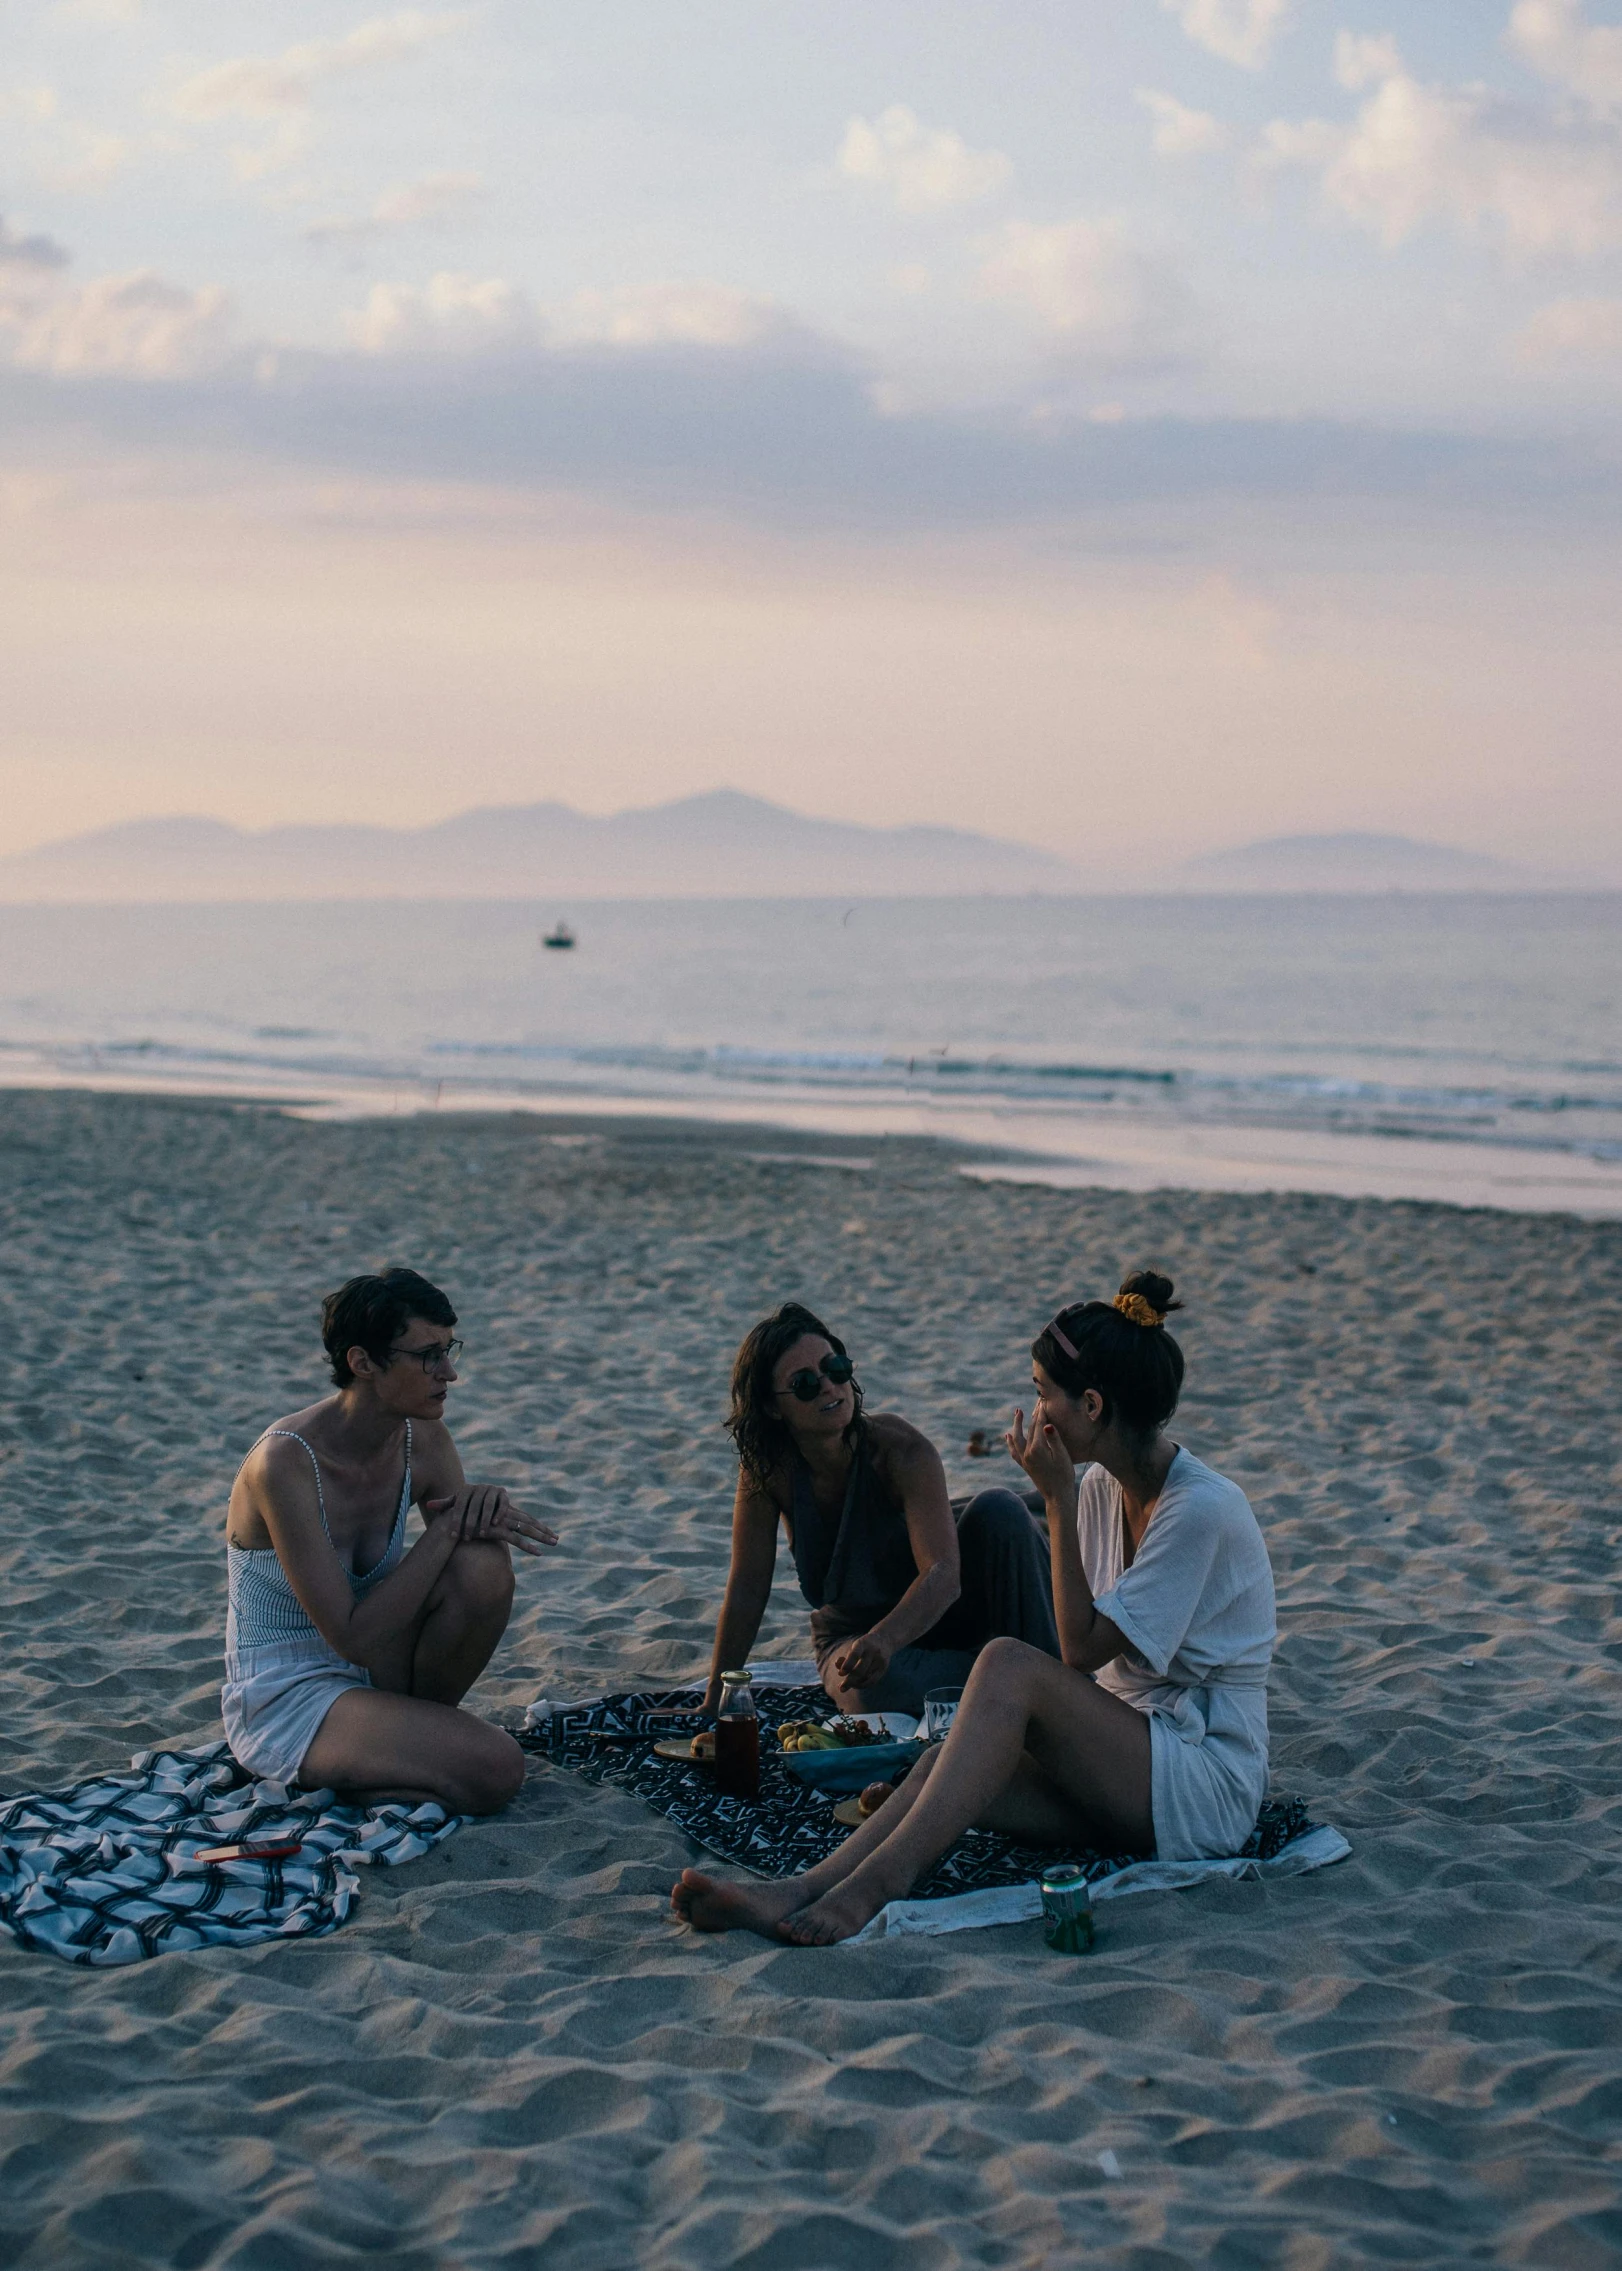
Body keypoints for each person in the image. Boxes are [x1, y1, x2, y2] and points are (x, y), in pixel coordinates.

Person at [673, 1270, 1277, 1944]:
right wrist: (1068, 1499)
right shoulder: (1107, 1486)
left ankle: (875, 1889)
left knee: (1008, 1665)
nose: (1036, 1411)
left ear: (1093, 1406)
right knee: (942, 1763)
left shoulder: (1200, 1508)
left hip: (1203, 1787)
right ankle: (798, 1887)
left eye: (1043, 1394)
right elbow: (1091, 1658)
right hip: (1134, 1760)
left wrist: (1055, 1500)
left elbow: (1076, 1649)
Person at [222, 1268, 556, 1814]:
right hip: (288, 1689)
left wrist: (480, 1514)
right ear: (363, 1362)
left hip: (379, 1667)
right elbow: (351, 1637)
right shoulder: (283, 1463)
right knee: (498, 1769)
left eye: (450, 1351)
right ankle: (371, 1764)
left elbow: (464, 1549)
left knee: (483, 1564)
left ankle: (408, 1740)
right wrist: (447, 1527)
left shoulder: (421, 1437)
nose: (448, 1372)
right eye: (428, 1355)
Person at [702, 1302, 1058, 1718]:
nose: (830, 1387)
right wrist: (715, 1696)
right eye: (804, 1384)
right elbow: (748, 1585)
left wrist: (886, 1640)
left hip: (955, 1618)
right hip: (854, 1637)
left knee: (1001, 1508)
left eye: (835, 1369)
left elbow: (942, 1575)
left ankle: (1046, 1684)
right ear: (771, 1406)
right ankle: (1023, 1680)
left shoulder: (901, 1451)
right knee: (868, 1692)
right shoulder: (768, 1470)